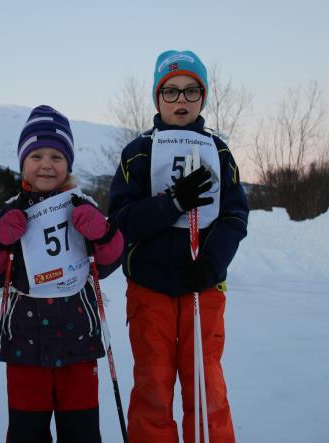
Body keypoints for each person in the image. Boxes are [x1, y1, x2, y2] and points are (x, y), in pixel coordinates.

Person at [108, 50, 249, 443]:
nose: (181, 101)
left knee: (207, 388)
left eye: (191, 91)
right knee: (152, 386)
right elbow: (121, 223)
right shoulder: (137, 152)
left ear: (203, 98)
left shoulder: (218, 151)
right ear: (157, 98)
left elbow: (236, 216)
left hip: (202, 287)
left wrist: (213, 262)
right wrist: (171, 203)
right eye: (170, 92)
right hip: (150, 289)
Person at [0, 105, 124, 443]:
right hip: (25, 346)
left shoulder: (81, 203)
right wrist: (0, 238)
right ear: (22, 162)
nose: (46, 164)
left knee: (82, 432)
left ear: (68, 163)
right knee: (28, 433)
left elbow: (113, 259)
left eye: (57, 156)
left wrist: (101, 232)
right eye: (36, 155)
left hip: (80, 345)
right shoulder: (13, 209)